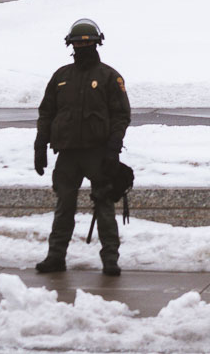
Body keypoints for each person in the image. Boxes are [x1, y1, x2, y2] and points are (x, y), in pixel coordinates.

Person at [34, 18, 130, 278]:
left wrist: (113, 149)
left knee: (104, 206)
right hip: (67, 155)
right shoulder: (61, 77)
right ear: (71, 46)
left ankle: (110, 259)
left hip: (98, 154)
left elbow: (121, 116)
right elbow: (46, 113)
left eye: (87, 44)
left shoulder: (110, 77)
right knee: (64, 206)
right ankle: (56, 257)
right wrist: (40, 146)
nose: (82, 48)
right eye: (77, 44)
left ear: (97, 44)